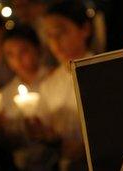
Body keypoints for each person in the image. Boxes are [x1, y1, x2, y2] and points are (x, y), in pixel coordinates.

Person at [39, 1, 94, 170]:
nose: (55, 41)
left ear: (84, 29)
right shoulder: (48, 84)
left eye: (60, 32)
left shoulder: (103, 73)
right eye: (49, 35)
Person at [0, 25, 58, 171]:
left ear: (37, 48)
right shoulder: (6, 94)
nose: (17, 59)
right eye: (10, 54)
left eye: (23, 51)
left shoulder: (54, 79)